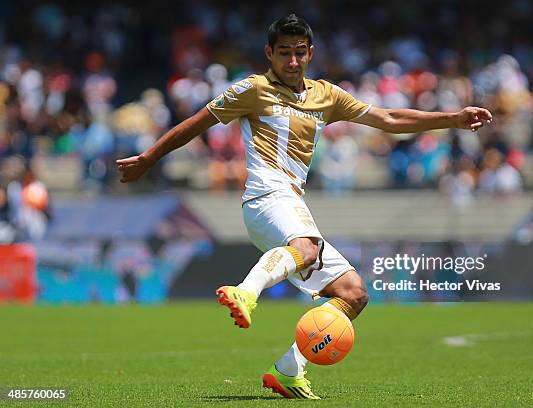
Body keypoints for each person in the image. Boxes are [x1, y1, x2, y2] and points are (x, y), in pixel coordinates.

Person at [116, 14, 492, 399]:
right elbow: (196, 124)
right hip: (266, 195)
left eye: (299, 53)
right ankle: (246, 291)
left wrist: (453, 119)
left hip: (291, 201)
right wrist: (149, 157)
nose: (292, 62)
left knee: (353, 293)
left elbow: (388, 117)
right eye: (284, 53)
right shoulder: (252, 89)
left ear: (310, 53)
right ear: (269, 53)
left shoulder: (325, 96)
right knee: (307, 246)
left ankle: (288, 369)